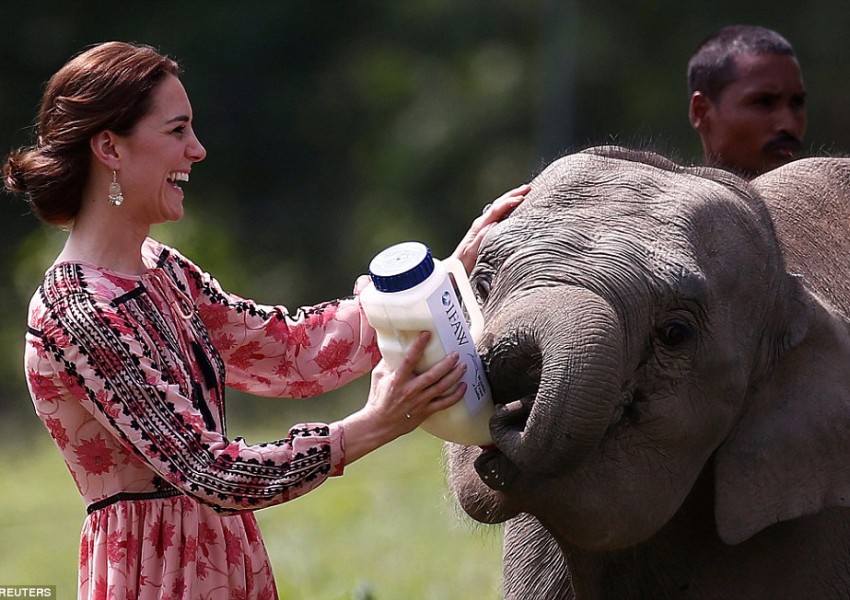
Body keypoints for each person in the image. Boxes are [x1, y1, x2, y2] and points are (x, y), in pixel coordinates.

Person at [2, 41, 528, 599]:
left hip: (226, 556)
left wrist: (441, 278)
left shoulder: (163, 271)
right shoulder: (78, 311)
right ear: (110, 146)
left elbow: (290, 351)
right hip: (156, 577)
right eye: (177, 131)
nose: (197, 150)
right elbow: (213, 473)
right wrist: (373, 425)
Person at [687, 24, 807, 179]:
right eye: (763, 103)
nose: (789, 125)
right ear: (701, 112)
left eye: (796, 103)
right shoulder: (664, 202)